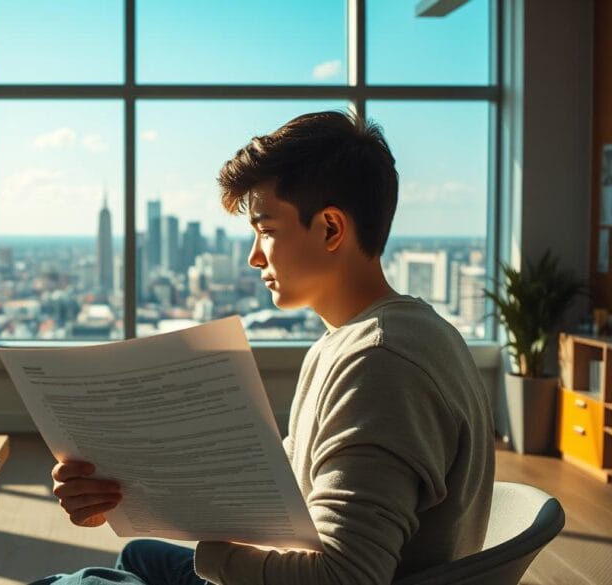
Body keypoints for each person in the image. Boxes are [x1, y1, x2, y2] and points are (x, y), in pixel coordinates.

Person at [34, 110, 495, 585]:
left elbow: (346, 577)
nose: (255, 256)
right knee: (140, 557)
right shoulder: (380, 334)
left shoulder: (380, 364)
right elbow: (292, 492)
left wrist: (214, 557)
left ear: (331, 228)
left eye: (267, 229)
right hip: (291, 561)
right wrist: (126, 493)